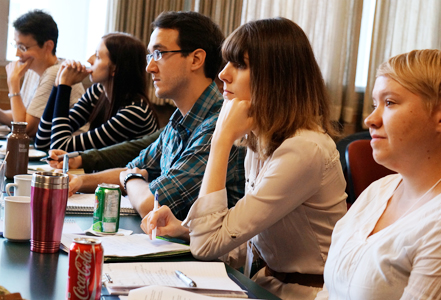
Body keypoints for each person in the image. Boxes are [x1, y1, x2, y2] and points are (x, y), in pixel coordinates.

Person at [141, 18, 347, 300]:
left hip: (304, 295)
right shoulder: (262, 141)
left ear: (275, 77)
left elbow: (208, 246)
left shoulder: (304, 149)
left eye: (239, 65)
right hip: (265, 285)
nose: (223, 74)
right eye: (227, 63)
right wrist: (186, 229)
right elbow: (245, 239)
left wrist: (221, 139)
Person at [66, 11, 245, 220]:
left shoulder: (219, 125)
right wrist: (80, 182)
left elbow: (151, 204)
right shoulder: (179, 119)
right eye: (150, 56)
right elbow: (133, 168)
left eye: (159, 54)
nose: (150, 67)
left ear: (196, 59)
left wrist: (130, 177)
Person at [315, 49, 441, 300]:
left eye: (389, 103)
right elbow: (329, 292)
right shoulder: (379, 190)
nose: (370, 119)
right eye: (374, 104)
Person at [34, 32, 159, 151]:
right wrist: (58, 85)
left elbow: (59, 147)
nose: (89, 60)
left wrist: (64, 87)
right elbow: (42, 142)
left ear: (115, 68)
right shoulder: (98, 91)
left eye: (98, 57)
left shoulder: (135, 113)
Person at [2, 9, 84, 137]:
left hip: (66, 151)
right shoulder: (33, 69)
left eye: (23, 48)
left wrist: (13, 84)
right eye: (16, 46)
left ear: (48, 46)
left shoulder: (55, 73)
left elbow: (25, 129)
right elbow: (22, 115)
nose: (17, 54)